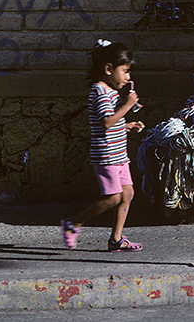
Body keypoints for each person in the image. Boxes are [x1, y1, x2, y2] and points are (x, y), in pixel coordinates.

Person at [60, 40, 145, 252]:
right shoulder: (99, 91)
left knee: (128, 193)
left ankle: (116, 239)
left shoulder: (112, 92)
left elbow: (111, 124)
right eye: (125, 71)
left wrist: (127, 126)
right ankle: (74, 223)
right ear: (108, 69)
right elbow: (106, 121)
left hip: (119, 155)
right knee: (113, 197)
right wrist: (127, 106)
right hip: (106, 156)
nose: (128, 77)